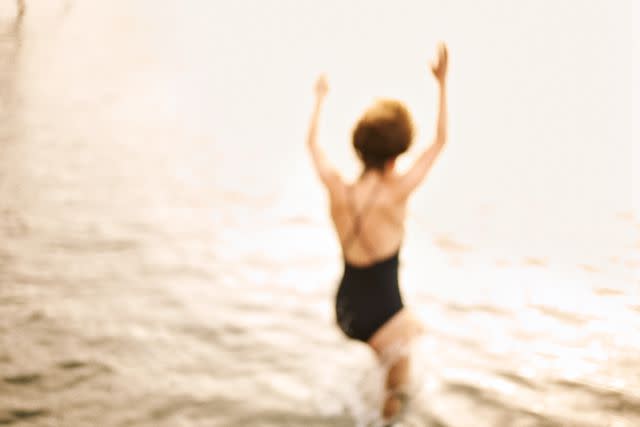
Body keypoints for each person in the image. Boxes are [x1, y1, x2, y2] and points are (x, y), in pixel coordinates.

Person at [305, 43, 449, 421]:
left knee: (401, 345)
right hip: (385, 310)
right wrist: (442, 85)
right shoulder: (395, 192)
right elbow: (439, 143)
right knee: (400, 386)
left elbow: (313, 146)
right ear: (394, 156)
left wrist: (320, 99)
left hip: (346, 308)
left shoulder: (338, 187)